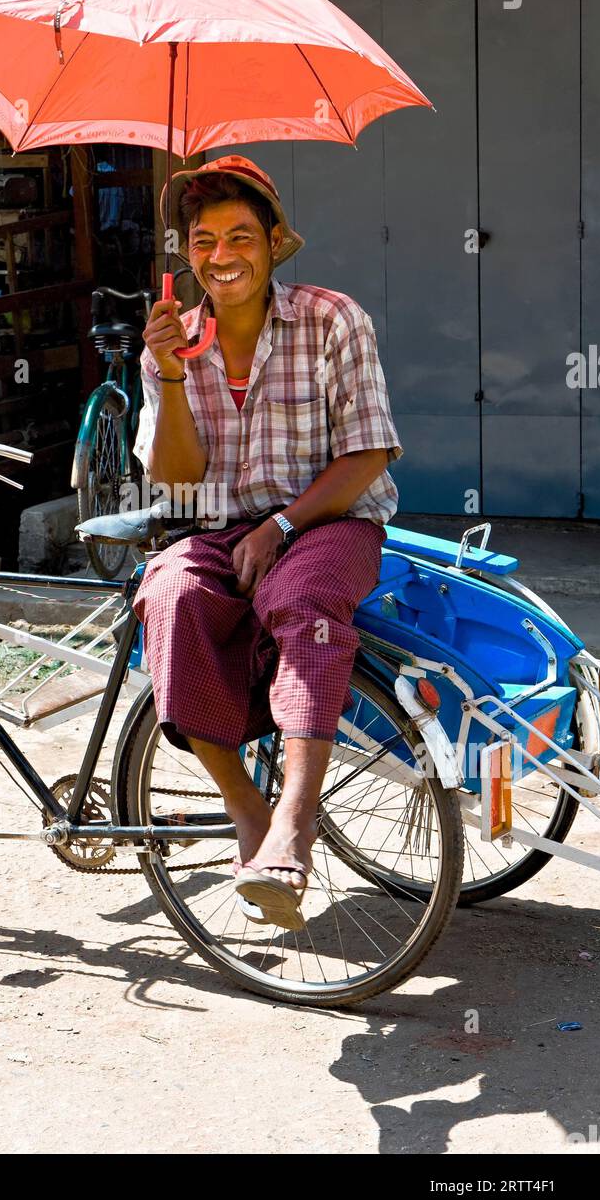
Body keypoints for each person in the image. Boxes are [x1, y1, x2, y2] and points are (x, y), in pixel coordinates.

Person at [131, 155, 402, 929]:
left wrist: (282, 526)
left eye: (241, 236)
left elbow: (370, 451)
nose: (223, 256)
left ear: (275, 241)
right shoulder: (171, 343)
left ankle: (293, 823)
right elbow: (178, 478)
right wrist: (172, 376)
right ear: (186, 252)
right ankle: (246, 808)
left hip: (328, 521)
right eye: (204, 239)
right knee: (171, 597)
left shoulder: (332, 318)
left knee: (301, 595)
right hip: (217, 528)